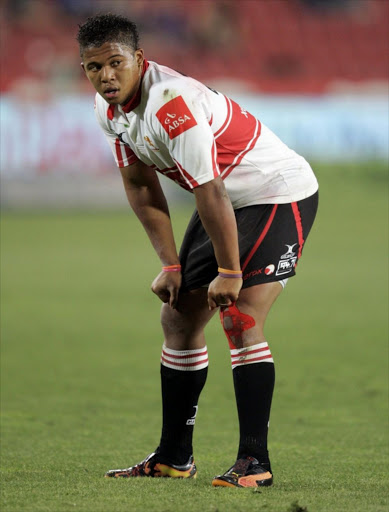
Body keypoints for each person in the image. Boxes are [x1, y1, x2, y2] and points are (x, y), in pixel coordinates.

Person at [77, 13, 318, 488]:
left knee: (240, 314)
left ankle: (255, 462)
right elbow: (140, 186)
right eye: (93, 67)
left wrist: (229, 271)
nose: (106, 76)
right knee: (178, 318)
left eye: (116, 63)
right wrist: (170, 264)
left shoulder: (171, 103)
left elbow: (208, 190)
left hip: (275, 191)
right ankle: (173, 457)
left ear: (139, 60)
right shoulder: (110, 111)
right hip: (226, 201)